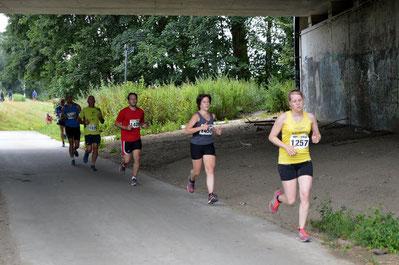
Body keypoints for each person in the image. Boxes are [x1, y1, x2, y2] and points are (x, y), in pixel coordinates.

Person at [268, 89, 321, 242]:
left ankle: (302, 229)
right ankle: (278, 197)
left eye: (300, 100)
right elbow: (271, 136)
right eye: (294, 101)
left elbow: (316, 134)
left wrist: (316, 137)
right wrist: (285, 147)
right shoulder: (284, 118)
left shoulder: (310, 117)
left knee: (305, 194)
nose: (298, 103)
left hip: (305, 161)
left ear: (303, 101)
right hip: (286, 163)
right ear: (290, 103)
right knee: (291, 200)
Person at [184, 94, 222, 205]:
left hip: (208, 145)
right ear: (199, 104)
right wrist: (201, 127)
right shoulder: (196, 116)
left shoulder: (212, 116)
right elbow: (186, 130)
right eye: (204, 102)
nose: (207, 104)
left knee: (210, 170)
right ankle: (191, 180)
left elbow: (211, 128)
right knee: (196, 171)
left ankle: (211, 195)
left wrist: (217, 131)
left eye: (208, 102)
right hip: (196, 145)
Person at [115, 92, 148, 186]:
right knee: (127, 160)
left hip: (136, 138)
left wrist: (144, 125)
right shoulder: (123, 111)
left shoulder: (141, 111)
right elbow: (116, 123)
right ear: (128, 100)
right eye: (131, 99)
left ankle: (134, 178)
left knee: (137, 159)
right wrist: (125, 127)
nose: (133, 100)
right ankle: (123, 164)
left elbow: (141, 122)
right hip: (126, 139)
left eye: (135, 98)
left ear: (136, 100)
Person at [79, 95, 104, 171]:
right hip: (88, 133)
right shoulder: (84, 110)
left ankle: (93, 164)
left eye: (92, 100)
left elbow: (102, 121)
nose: (91, 101)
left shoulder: (98, 109)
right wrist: (84, 122)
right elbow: (78, 120)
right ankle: (87, 153)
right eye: (90, 100)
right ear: (87, 101)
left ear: (94, 101)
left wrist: (100, 117)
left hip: (96, 132)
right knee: (89, 149)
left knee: (95, 148)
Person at [61, 95, 81, 166]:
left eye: (70, 98)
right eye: (68, 98)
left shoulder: (77, 106)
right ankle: (72, 159)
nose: (69, 99)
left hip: (76, 127)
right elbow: (62, 117)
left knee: (77, 145)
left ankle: (75, 149)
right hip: (68, 127)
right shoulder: (64, 108)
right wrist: (64, 117)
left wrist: (78, 117)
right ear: (66, 99)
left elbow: (80, 113)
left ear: (72, 98)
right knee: (71, 143)